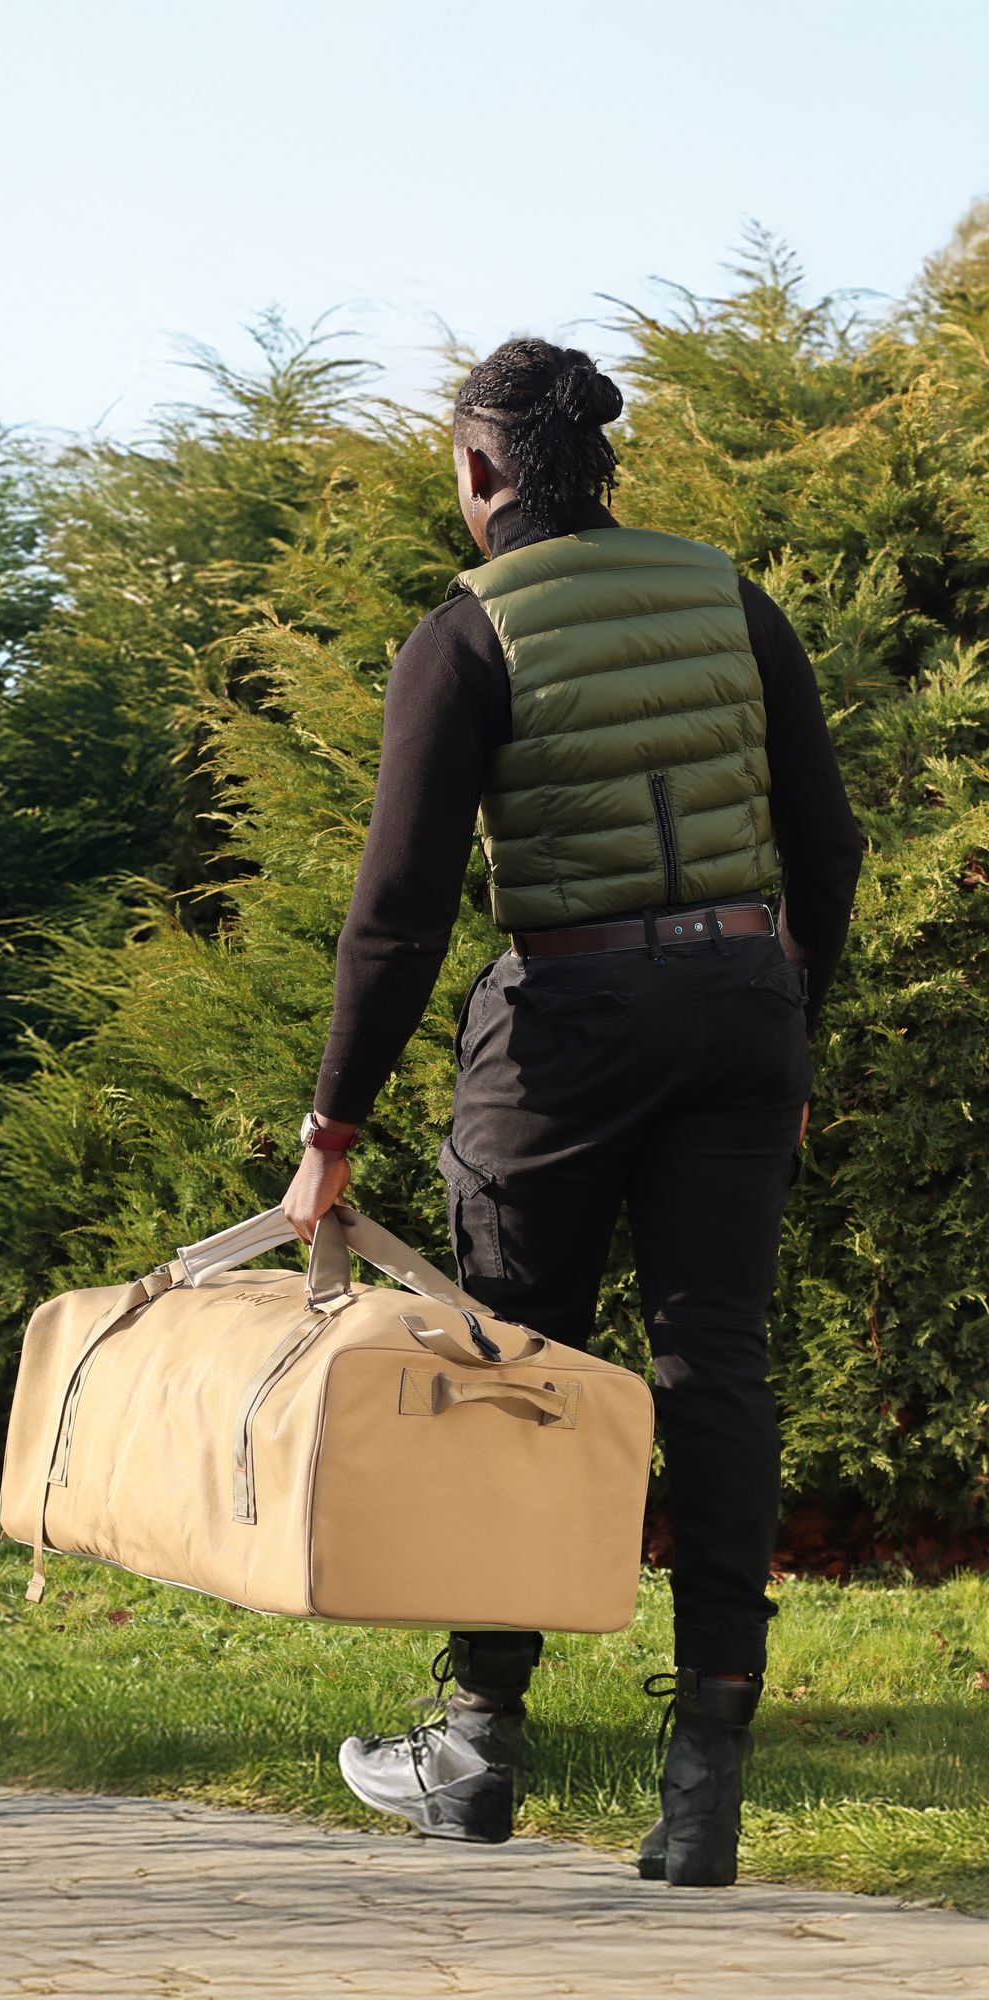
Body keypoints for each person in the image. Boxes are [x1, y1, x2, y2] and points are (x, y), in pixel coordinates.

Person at [278, 338, 862, 1887]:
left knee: (514, 1359)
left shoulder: (466, 634)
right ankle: (706, 1774)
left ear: (480, 473)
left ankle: (475, 1745)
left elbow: (396, 918)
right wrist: (789, 1028)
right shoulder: (729, 598)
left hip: (567, 1028)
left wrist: (333, 1125)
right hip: (742, 1005)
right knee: (716, 1367)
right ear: (596, 467)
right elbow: (827, 845)